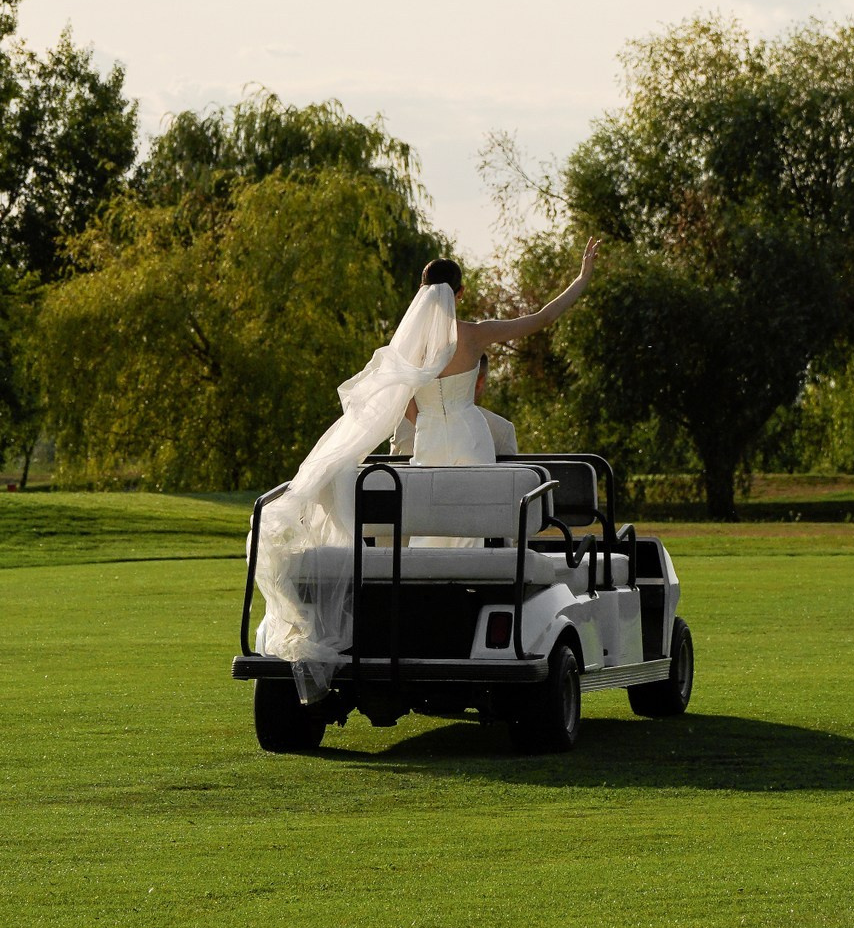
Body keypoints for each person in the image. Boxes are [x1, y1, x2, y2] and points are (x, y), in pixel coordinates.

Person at [251, 242, 599, 695]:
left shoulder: (412, 351)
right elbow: (542, 318)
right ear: (460, 290)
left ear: (422, 291)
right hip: (470, 434)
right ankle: (468, 596)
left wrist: (431, 419)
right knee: (473, 514)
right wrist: (583, 277)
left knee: (428, 512)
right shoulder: (472, 334)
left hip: (431, 438)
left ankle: (425, 596)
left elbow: (405, 409)